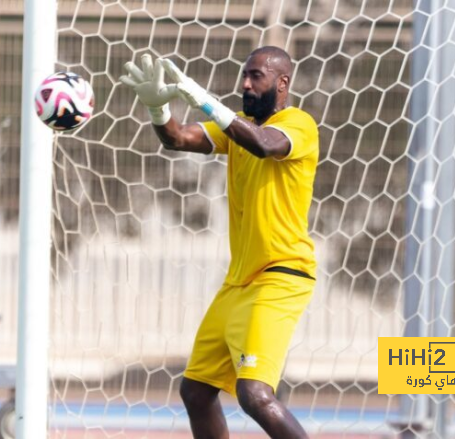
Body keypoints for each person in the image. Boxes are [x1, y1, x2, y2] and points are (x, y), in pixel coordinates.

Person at [120, 46, 319, 439]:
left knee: (255, 395)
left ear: (282, 83)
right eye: (244, 75)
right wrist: (158, 110)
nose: (245, 83)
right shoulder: (239, 125)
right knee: (195, 392)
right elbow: (177, 138)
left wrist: (203, 99)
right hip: (238, 283)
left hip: (280, 277)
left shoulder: (299, 124)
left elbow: (264, 144)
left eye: (256, 76)